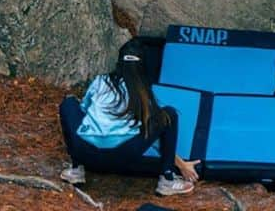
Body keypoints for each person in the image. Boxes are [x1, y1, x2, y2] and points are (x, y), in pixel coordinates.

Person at [58, 39, 201, 198]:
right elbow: (152, 136)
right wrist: (181, 165)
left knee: (69, 102)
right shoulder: (142, 91)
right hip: (124, 155)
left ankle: (77, 169)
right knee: (169, 114)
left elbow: (83, 113)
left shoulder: (100, 81)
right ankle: (167, 179)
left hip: (86, 153)